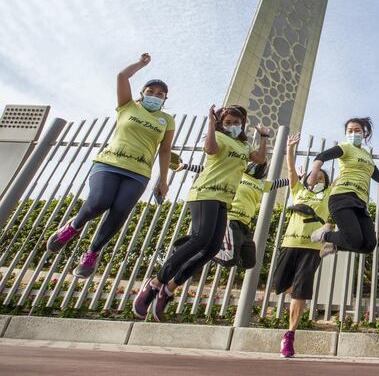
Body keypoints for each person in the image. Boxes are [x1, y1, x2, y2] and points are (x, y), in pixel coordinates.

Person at [133, 105, 268, 321]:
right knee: (199, 239)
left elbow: (260, 159)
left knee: (211, 248)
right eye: (229, 122)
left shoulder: (243, 145)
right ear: (221, 123)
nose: (233, 125)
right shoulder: (218, 138)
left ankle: (168, 289)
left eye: (237, 122)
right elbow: (210, 149)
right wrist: (211, 123)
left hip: (224, 200)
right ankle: (154, 284)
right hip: (205, 194)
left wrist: (262, 137)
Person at [47, 53, 174, 278]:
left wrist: (163, 181)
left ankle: (92, 253)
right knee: (99, 202)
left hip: (139, 173)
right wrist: (141, 64)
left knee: (120, 211)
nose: (155, 96)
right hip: (109, 164)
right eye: (150, 92)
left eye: (160, 94)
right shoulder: (127, 106)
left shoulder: (167, 120)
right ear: (142, 94)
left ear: (165, 99)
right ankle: (72, 227)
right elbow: (122, 76)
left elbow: (164, 151)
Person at [306, 117, 379, 257]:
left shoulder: (367, 156)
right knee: (353, 239)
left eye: (357, 130)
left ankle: (334, 245)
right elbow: (322, 156)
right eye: (349, 131)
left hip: (360, 202)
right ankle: (325, 235)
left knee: (368, 245)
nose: (353, 134)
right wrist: (314, 173)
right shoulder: (345, 147)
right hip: (342, 196)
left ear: (364, 133)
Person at [272, 132, 332, 358]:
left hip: (312, 248)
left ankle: (289, 335)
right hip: (290, 243)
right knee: (280, 284)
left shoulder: (328, 195)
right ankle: (295, 290)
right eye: (314, 177)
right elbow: (289, 171)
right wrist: (289, 149)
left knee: (299, 290)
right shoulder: (298, 191)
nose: (317, 180)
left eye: (321, 179)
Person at [173, 160, 289, 269]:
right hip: (230, 220)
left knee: (249, 262)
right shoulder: (236, 174)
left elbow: (278, 183)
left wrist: (295, 178)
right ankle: (200, 245)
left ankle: (206, 243)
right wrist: (186, 166)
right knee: (228, 259)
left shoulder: (262, 183)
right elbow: (211, 169)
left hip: (244, 225)